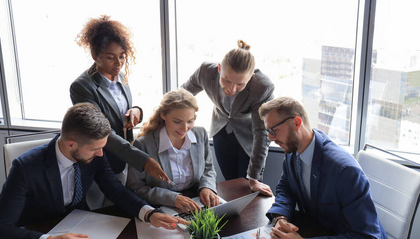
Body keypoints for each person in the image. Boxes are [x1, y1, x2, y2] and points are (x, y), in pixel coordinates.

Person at [0, 103, 186, 239]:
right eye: (95, 149)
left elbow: (115, 189)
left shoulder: (94, 153)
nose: (101, 154)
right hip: (39, 237)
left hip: (83, 231)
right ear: (71, 144)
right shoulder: (25, 168)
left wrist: (148, 213)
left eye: (102, 147)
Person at [258, 97, 400, 239]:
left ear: (296, 122)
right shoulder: (292, 151)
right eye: (268, 132)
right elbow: (286, 187)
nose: (271, 139)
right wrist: (281, 218)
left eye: (273, 130)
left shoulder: (344, 171)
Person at [70, 15, 169, 185]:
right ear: (95, 55)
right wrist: (142, 160)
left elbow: (118, 110)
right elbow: (101, 131)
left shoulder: (121, 77)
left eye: (122, 56)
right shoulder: (82, 87)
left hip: (123, 160)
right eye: (111, 57)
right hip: (100, 162)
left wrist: (136, 111)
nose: (119, 63)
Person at [182, 40, 274, 197]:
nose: (231, 89)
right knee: (231, 185)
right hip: (221, 133)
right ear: (219, 69)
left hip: (250, 139)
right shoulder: (206, 71)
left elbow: (261, 132)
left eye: (240, 84)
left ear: (250, 77)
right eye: (226, 80)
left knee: (248, 190)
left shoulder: (263, 87)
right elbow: (182, 95)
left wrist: (254, 178)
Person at [127, 89, 218, 213]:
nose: (185, 129)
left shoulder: (200, 134)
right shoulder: (143, 144)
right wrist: (172, 198)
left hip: (196, 202)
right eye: (177, 122)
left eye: (190, 121)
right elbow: (136, 187)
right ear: (163, 115)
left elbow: (208, 169)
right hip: (160, 208)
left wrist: (207, 187)